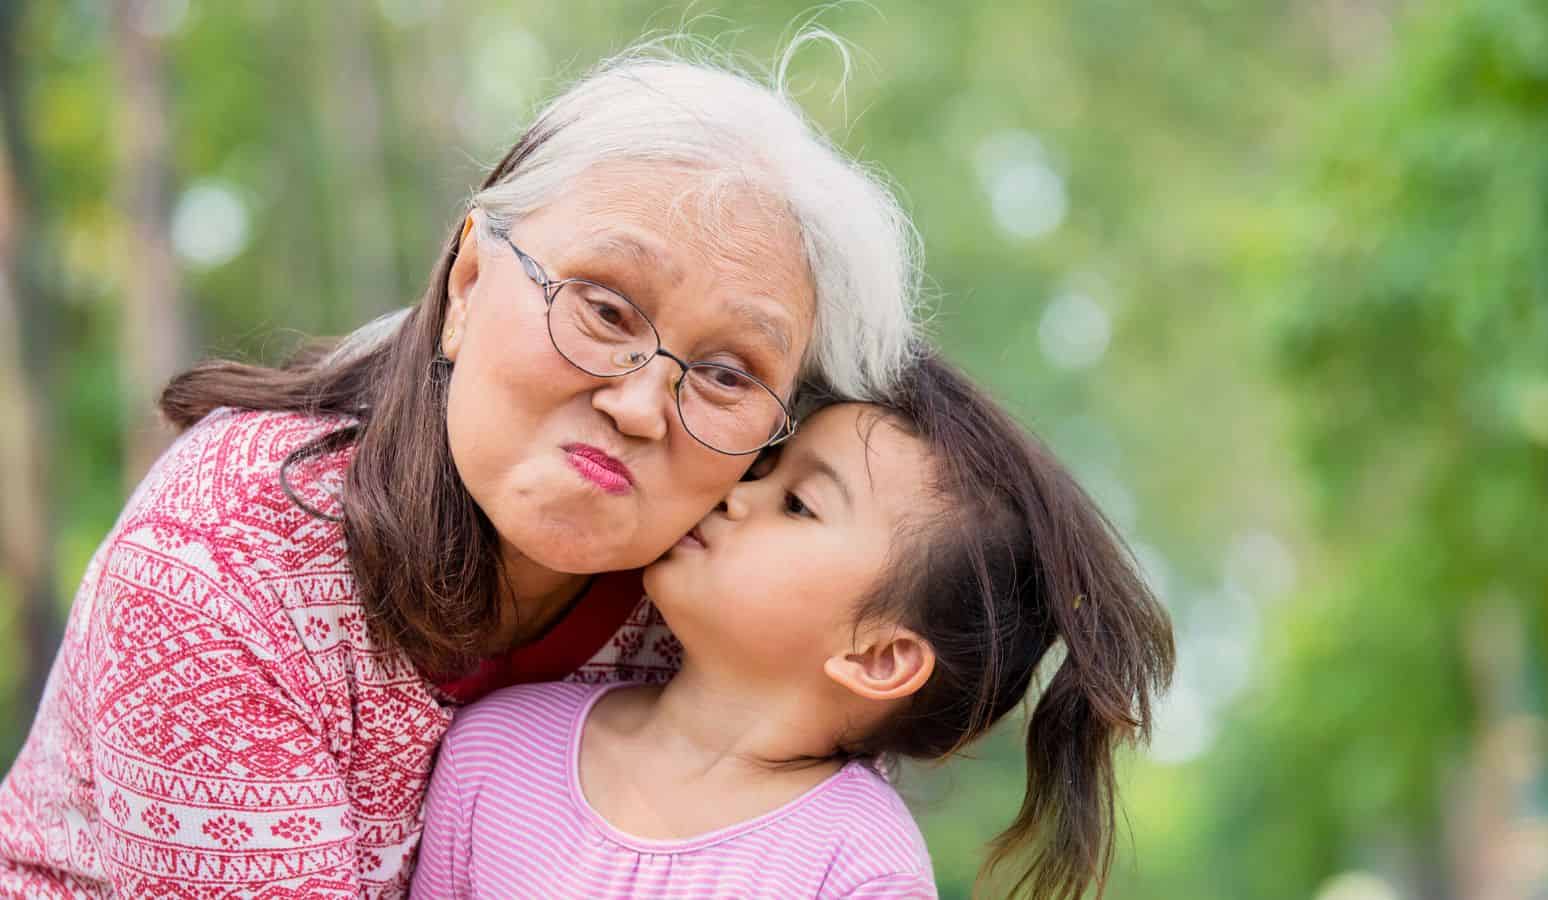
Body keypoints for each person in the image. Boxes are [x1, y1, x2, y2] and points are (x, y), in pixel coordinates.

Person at [0, 40, 923, 896]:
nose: (640, 407)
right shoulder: (223, 564)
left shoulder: (721, 612)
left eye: (726, 375)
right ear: (471, 281)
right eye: (603, 310)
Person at [410, 355, 1176, 900]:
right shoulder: (494, 746)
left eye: (798, 504)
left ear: (879, 657)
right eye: (767, 470)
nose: (739, 495)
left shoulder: (858, 866)